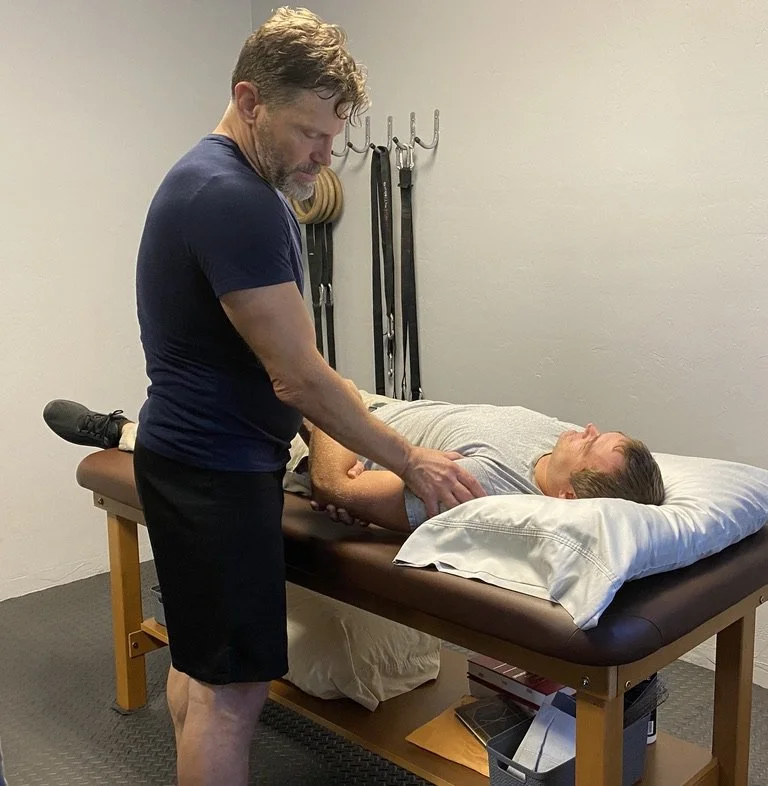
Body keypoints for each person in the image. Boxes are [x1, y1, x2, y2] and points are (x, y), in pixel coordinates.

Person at [114, 8, 485, 785]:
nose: (325, 154)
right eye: (310, 132)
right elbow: (300, 377)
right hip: (214, 478)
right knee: (234, 697)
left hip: (191, 464)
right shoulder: (234, 199)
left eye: (334, 134)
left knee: (205, 671)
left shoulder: (215, 178)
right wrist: (411, 460)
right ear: (250, 100)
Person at [44, 393, 666, 535]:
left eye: (590, 445)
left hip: (318, 436)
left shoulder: (476, 490)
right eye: (595, 431)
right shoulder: (555, 439)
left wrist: (327, 406)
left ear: (567, 500)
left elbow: (334, 484)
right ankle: (139, 425)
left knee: (215, 431)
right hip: (358, 406)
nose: (582, 430)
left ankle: (124, 432)